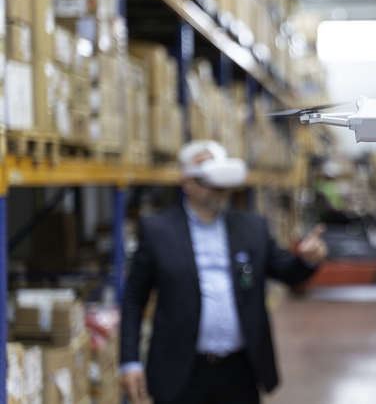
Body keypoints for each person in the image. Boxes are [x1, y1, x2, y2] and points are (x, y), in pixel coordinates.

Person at [120, 140, 328, 404]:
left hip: (239, 370)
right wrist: (130, 361)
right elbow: (134, 298)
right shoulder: (158, 231)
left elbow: (287, 272)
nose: (217, 188)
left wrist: (307, 260)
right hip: (180, 369)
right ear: (186, 183)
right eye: (207, 180)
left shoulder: (251, 227)